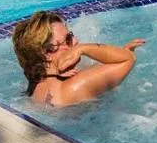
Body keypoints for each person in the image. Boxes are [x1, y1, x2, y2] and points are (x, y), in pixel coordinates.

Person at [11, 10, 145, 107]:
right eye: (68, 39)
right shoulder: (75, 86)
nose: (76, 41)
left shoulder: (36, 83)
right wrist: (83, 49)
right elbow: (128, 59)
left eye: (72, 35)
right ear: (46, 53)